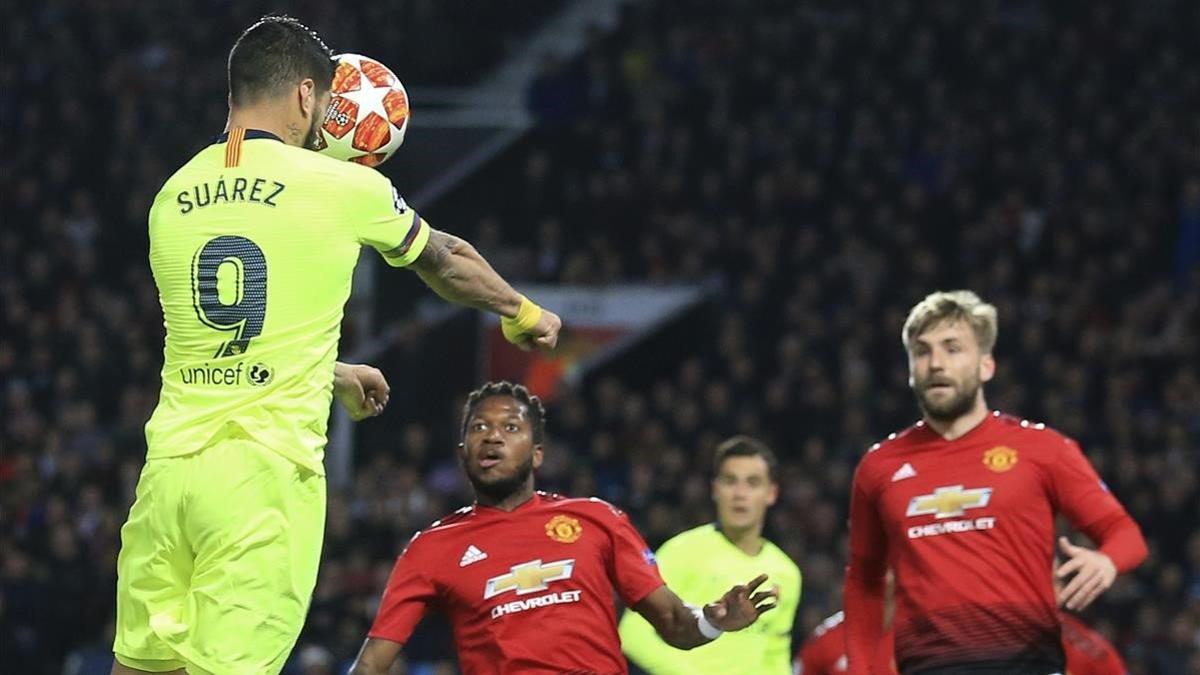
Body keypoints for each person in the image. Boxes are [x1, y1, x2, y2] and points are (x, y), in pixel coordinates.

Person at [112, 16, 561, 675]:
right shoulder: (344, 187)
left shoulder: (173, 195)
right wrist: (520, 312)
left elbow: (226, 340)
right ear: (302, 96)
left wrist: (331, 370)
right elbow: (448, 260)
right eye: (325, 101)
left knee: (140, 668)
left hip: (170, 475)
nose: (326, 120)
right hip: (263, 479)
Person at [349, 382, 778, 674]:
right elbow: (372, 663)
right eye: (480, 428)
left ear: (537, 454)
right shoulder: (431, 547)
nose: (493, 437)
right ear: (463, 452)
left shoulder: (596, 520)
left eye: (510, 428)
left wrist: (714, 620)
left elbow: (672, 622)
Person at [843, 290, 1147, 674]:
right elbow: (864, 582)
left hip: (1028, 663)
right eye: (922, 352)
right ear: (910, 369)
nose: (936, 363)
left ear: (986, 365)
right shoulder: (879, 467)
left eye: (953, 349)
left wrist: (1107, 561)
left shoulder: (1043, 449)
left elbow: (1125, 533)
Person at [618, 436, 802, 674]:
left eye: (753, 483)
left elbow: (775, 657)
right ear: (715, 489)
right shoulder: (681, 551)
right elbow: (633, 634)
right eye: (730, 481)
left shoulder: (786, 572)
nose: (740, 493)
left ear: (771, 493)